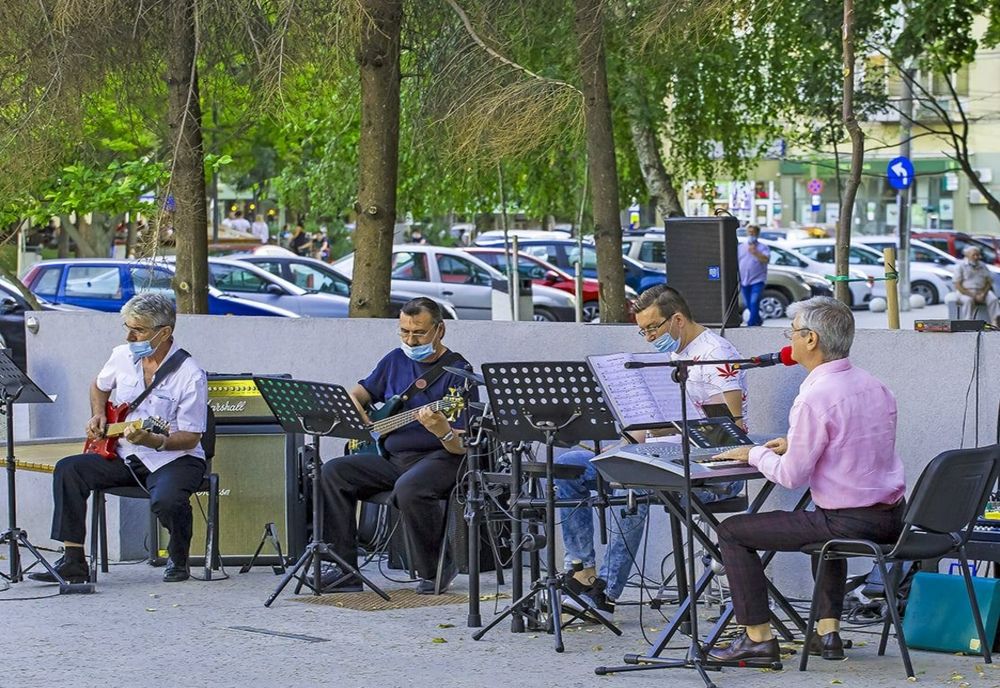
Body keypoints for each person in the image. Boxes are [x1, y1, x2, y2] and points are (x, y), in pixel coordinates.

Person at [708, 296, 905, 665]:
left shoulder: (814, 396)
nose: (789, 340)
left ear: (811, 339)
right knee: (822, 522)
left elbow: (791, 475)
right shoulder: (875, 385)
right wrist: (794, 443)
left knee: (733, 531)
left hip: (846, 520)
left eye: (793, 332)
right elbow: (854, 446)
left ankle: (757, 638)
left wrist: (752, 453)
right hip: (893, 519)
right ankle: (827, 634)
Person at [555, 284, 748, 620]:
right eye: (641, 330)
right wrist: (628, 443)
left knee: (637, 482)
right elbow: (645, 430)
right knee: (567, 466)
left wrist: (657, 433)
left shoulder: (717, 353)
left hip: (710, 467)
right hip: (661, 458)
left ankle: (607, 593)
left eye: (652, 329)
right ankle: (581, 572)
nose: (647, 338)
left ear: (677, 319)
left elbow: (727, 429)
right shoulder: (668, 356)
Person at [29, 293, 209, 585]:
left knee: (166, 500)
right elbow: (99, 386)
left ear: (164, 332)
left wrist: (154, 441)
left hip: (174, 457)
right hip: (125, 454)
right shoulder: (121, 356)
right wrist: (98, 414)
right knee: (69, 469)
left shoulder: (191, 374)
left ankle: (178, 556)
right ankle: (73, 560)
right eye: (127, 327)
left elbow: (190, 436)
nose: (129, 335)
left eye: (137, 329)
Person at [315, 298, 477, 594]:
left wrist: (443, 431)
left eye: (419, 333)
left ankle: (436, 569)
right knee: (334, 472)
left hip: (441, 458)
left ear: (440, 331)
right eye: (404, 332)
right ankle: (344, 570)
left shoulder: (459, 373)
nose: (410, 340)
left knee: (410, 488)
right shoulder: (394, 360)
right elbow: (358, 394)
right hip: (393, 457)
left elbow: (463, 447)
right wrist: (366, 423)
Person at [953, 246, 999, 326]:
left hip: (982, 291)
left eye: (978, 255)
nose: (977, 257)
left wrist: (983, 293)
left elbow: (989, 282)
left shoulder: (982, 265)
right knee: (968, 300)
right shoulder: (960, 266)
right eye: (974, 255)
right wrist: (973, 296)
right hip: (965, 292)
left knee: (993, 299)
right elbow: (957, 285)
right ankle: (968, 323)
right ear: (967, 255)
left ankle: (996, 323)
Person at [738, 225, 770, 326]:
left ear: (757, 233)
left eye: (754, 232)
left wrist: (755, 252)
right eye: (750, 232)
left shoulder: (763, 247)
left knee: (753, 301)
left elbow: (766, 260)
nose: (751, 234)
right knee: (748, 303)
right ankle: (758, 320)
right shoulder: (741, 247)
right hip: (744, 280)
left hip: (758, 280)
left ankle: (751, 324)